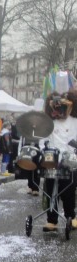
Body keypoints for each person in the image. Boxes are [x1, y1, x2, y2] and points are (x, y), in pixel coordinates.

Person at [40, 91, 77, 231]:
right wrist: (44, 149)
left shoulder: (74, 121)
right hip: (52, 160)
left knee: (68, 190)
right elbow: (43, 140)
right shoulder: (49, 123)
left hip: (70, 161)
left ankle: (71, 216)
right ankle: (52, 220)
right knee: (50, 189)